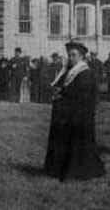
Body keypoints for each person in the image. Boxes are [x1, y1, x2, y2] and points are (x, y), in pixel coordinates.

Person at [43, 42, 105, 182]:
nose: (70, 58)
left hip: (81, 115)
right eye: (69, 55)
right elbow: (64, 86)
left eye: (74, 55)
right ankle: (59, 168)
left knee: (77, 144)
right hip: (70, 113)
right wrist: (58, 91)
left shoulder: (85, 73)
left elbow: (81, 94)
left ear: (82, 56)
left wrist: (62, 94)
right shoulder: (70, 71)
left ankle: (77, 170)